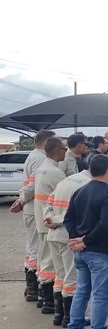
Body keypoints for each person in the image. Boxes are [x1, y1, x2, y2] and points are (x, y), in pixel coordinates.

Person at [64, 154, 108, 329]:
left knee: (81, 291)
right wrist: (85, 240)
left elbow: (68, 219)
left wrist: (77, 238)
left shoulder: (79, 192)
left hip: (81, 252)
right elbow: (106, 223)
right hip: (100, 251)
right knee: (100, 295)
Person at [10, 129, 55, 303]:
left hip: (31, 207)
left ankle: (31, 286)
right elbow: (34, 184)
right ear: (46, 142)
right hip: (35, 207)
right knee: (38, 247)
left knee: (32, 246)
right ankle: (35, 287)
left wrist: (22, 199)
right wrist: (22, 200)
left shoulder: (33, 156)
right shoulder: (41, 159)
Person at [43, 169, 92, 327]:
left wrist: (49, 218)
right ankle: (70, 318)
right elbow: (76, 212)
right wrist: (57, 220)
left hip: (53, 235)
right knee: (72, 278)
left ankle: (59, 314)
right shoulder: (87, 184)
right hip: (68, 236)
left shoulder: (65, 181)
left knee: (60, 276)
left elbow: (48, 202)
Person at [33, 137, 67, 316]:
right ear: (57, 150)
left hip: (42, 220)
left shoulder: (42, 168)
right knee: (49, 263)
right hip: (51, 222)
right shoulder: (56, 172)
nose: (65, 152)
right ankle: (48, 301)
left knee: (43, 258)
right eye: (64, 149)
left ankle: (43, 297)